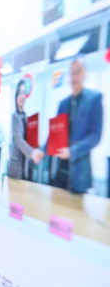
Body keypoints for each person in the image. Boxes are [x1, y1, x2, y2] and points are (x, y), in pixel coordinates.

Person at [33, 58, 103, 193]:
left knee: (74, 212)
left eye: (78, 72)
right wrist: (42, 151)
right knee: (55, 210)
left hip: (79, 172)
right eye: (72, 73)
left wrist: (72, 151)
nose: (74, 76)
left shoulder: (94, 99)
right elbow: (55, 134)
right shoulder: (63, 103)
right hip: (59, 170)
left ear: (85, 73)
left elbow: (96, 135)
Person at [8, 80, 36, 180]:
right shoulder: (14, 117)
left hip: (26, 165)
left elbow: (28, 139)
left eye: (24, 93)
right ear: (16, 96)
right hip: (16, 167)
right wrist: (32, 153)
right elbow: (19, 140)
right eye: (19, 93)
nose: (22, 96)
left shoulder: (26, 118)